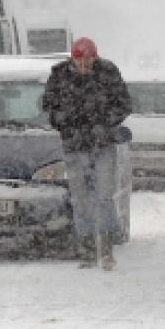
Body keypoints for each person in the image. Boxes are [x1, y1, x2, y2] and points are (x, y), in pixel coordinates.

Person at [42, 37, 131, 270]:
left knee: (104, 196)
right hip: (74, 145)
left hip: (102, 145)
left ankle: (107, 247)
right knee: (80, 199)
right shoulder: (59, 76)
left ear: (95, 57)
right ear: (72, 58)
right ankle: (87, 248)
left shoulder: (108, 73)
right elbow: (49, 107)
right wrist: (62, 121)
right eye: (80, 60)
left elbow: (124, 104)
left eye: (89, 60)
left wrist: (106, 123)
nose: (84, 66)